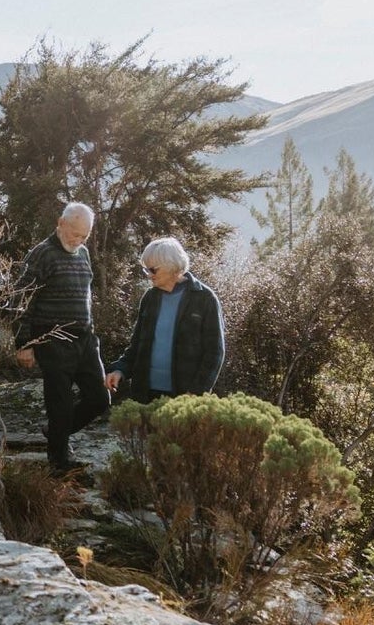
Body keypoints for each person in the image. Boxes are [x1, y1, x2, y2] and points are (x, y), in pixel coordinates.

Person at [12, 202, 109, 476]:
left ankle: (56, 432)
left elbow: (85, 296)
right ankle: (60, 464)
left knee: (99, 399)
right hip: (52, 339)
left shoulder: (84, 253)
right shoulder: (42, 254)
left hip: (86, 340)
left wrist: (91, 331)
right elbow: (20, 299)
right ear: (60, 223)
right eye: (74, 233)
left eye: (83, 236)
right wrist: (24, 344)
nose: (77, 240)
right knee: (61, 403)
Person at [105, 237, 226, 402]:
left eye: (153, 270)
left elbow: (215, 352)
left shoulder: (205, 298)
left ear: (172, 266)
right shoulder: (150, 298)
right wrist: (120, 370)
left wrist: (196, 392)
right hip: (145, 394)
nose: (149, 275)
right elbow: (137, 347)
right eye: (146, 270)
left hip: (184, 396)